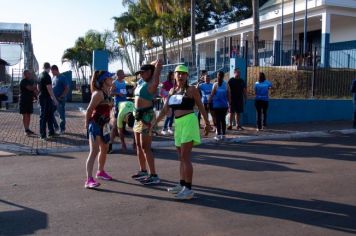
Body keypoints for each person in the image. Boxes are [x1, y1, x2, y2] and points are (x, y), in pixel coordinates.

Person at [155, 65, 210, 200]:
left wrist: (207, 123)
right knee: (181, 157)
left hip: (189, 122)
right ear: (174, 75)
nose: (180, 76)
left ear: (187, 76)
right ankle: (182, 184)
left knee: (185, 157)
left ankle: (189, 189)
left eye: (183, 74)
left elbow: (201, 106)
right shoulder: (173, 90)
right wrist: (153, 123)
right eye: (178, 73)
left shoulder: (192, 90)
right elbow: (164, 110)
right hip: (178, 124)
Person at [132, 60, 162, 185]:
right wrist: (146, 67)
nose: (141, 75)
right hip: (138, 116)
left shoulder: (153, 82)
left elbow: (159, 62)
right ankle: (143, 170)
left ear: (150, 72)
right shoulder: (141, 82)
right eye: (140, 73)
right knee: (138, 145)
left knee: (146, 147)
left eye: (143, 72)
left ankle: (154, 175)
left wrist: (151, 68)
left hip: (147, 117)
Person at [84, 71, 114, 189]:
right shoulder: (98, 94)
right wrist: (87, 125)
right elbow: (89, 110)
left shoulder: (107, 92)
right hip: (95, 125)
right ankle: (89, 180)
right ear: (103, 80)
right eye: (109, 77)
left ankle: (100, 172)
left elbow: (108, 108)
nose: (112, 79)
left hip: (104, 125)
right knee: (94, 151)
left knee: (105, 148)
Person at [38, 62, 58, 140]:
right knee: (44, 116)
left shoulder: (40, 75)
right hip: (46, 98)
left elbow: (38, 87)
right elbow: (49, 88)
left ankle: (51, 132)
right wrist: (54, 99)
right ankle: (43, 135)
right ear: (49, 68)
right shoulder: (47, 76)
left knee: (49, 115)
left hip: (42, 96)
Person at [108, 69, 127, 153]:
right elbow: (110, 93)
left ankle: (124, 144)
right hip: (118, 106)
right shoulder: (115, 83)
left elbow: (125, 91)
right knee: (115, 126)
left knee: (123, 125)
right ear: (119, 75)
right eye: (122, 74)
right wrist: (118, 94)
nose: (124, 75)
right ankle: (110, 146)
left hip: (125, 106)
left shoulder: (124, 82)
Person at [209, 71, 231, 140]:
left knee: (218, 120)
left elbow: (212, 94)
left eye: (217, 75)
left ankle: (218, 135)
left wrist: (209, 102)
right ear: (223, 76)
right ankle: (223, 135)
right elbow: (229, 95)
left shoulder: (215, 84)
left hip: (217, 105)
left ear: (218, 76)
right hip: (224, 105)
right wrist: (230, 104)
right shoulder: (226, 84)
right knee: (223, 120)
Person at [51, 65, 69, 134]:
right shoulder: (53, 77)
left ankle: (62, 129)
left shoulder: (62, 77)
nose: (52, 73)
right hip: (54, 99)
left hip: (60, 99)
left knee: (61, 114)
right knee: (50, 113)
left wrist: (61, 97)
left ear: (56, 70)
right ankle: (56, 127)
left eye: (52, 71)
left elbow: (67, 88)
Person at [19, 70, 37, 135]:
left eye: (30, 73)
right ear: (25, 74)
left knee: (29, 115)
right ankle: (25, 129)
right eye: (28, 74)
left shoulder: (31, 81)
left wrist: (35, 96)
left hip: (29, 101)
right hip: (23, 101)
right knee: (25, 115)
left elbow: (33, 91)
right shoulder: (23, 81)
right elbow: (30, 88)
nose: (29, 75)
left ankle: (28, 129)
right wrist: (35, 87)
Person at [160, 71, 174, 135]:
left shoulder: (175, 83)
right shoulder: (165, 83)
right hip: (167, 101)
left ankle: (169, 128)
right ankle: (164, 129)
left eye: (174, 75)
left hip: (174, 101)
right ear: (169, 75)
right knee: (168, 115)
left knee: (172, 115)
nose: (173, 76)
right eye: (172, 75)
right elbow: (161, 93)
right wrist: (165, 98)